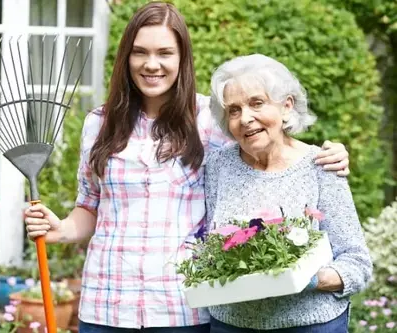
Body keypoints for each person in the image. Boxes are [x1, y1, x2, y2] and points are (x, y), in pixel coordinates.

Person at [24, 2, 350, 332]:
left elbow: (268, 154)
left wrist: (325, 155)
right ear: (127, 58)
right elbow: (90, 206)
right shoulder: (99, 123)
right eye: (140, 52)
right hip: (106, 305)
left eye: (165, 52)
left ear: (182, 59)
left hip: (183, 307)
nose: (151, 64)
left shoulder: (212, 120)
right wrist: (62, 229)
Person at [204, 54, 372, 333]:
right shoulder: (219, 165)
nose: (245, 118)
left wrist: (307, 279)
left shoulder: (322, 165)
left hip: (311, 325)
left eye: (257, 103)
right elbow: (211, 247)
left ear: (286, 107)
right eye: (233, 110)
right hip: (231, 325)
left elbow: (357, 262)